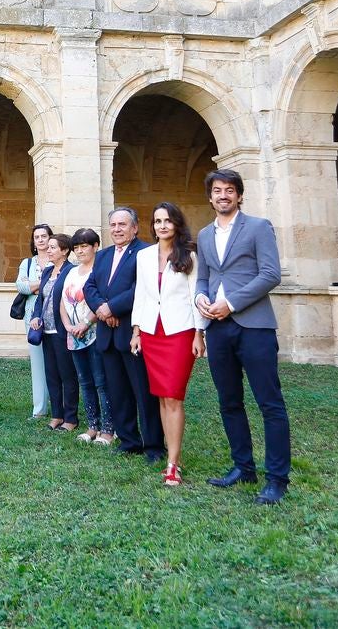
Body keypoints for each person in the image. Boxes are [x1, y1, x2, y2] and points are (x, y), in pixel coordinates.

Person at [195, 169, 292, 505]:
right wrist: (201, 299)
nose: (223, 195)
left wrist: (231, 303)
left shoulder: (258, 227)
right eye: (217, 190)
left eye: (230, 190)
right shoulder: (205, 234)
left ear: (239, 195)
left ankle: (277, 478)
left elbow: (271, 274)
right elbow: (203, 278)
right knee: (229, 401)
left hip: (254, 325)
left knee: (270, 403)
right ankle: (243, 467)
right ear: (210, 197)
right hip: (218, 329)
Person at [130, 203, 207, 486]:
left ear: (177, 224)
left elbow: (195, 293)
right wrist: (136, 330)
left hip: (179, 331)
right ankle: (171, 455)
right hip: (151, 331)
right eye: (158, 221)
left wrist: (200, 332)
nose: (162, 225)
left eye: (167, 221)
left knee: (174, 395)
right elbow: (142, 294)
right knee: (162, 396)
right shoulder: (144, 256)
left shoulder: (189, 255)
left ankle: (173, 464)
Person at [84, 207, 164, 462]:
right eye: (113, 225)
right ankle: (129, 441)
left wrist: (112, 307)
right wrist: (101, 309)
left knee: (143, 392)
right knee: (118, 391)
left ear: (135, 228)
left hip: (134, 333)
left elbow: (141, 288)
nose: (117, 229)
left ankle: (153, 446)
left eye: (123, 224)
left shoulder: (146, 253)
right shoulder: (103, 255)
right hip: (108, 332)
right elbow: (90, 285)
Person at [60, 228, 113, 446]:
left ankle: (109, 428)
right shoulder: (72, 272)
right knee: (85, 381)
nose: (80, 251)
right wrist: (67, 326)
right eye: (77, 247)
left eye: (84, 246)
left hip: (94, 333)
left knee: (101, 382)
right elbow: (63, 301)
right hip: (74, 335)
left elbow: (101, 300)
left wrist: (86, 323)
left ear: (95, 246)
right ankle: (93, 426)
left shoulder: (101, 270)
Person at [29, 233, 78, 431]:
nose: (48, 250)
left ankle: (71, 418)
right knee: (52, 374)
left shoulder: (71, 271)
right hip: (46, 332)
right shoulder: (48, 271)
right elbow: (40, 298)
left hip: (63, 331)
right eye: (48, 247)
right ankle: (57, 414)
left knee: (68, 375)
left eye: (52, 247)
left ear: (64, 251)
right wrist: (35, 315)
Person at [15, 224, 53, 419]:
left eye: (44, 236)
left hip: (56, 317)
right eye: (36, 236)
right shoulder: (27, 263)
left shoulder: (58, 261)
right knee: (37, 363)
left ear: (50, 238)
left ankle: (60, 408)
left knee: (57, 363)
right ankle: (39, 410)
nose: (40, 240)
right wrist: (45, 284)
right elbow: (20, 285)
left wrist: (35, 286)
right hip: (32, 317)